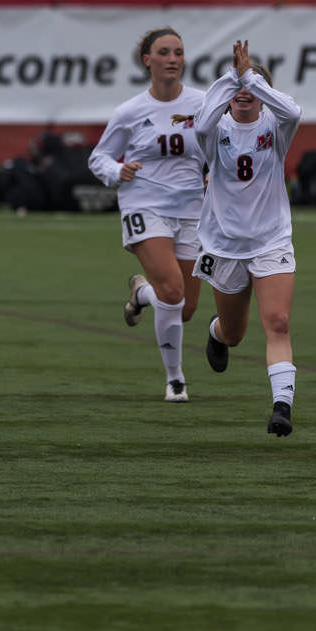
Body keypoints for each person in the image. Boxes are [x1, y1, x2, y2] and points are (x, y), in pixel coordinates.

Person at [89, 27, 208, 403]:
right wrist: (115, 171)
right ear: (147, 60)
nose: (173, 59)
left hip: (191, 207)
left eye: (178, 52)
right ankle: (175, 379)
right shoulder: (130, 111)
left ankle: (141, 293)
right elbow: (99, 157)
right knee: (172, 289)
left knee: (185, 308)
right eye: (164, 52)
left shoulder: (203, 103)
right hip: (145, 203)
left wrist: (212, 169)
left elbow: (219, 145)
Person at [193, 39, 304, 437]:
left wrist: (250, 78)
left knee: (278, 321)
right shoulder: (215, 129)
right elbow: (202, 121)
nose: (243, 91)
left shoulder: (276, 127)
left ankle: (282, 407)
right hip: (224, 245)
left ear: (261, 93)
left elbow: (292, 109)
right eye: (237, 87)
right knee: (234, 333)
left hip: (271, 240)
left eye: (251, 87)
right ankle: (216, 332)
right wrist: (233, 75)